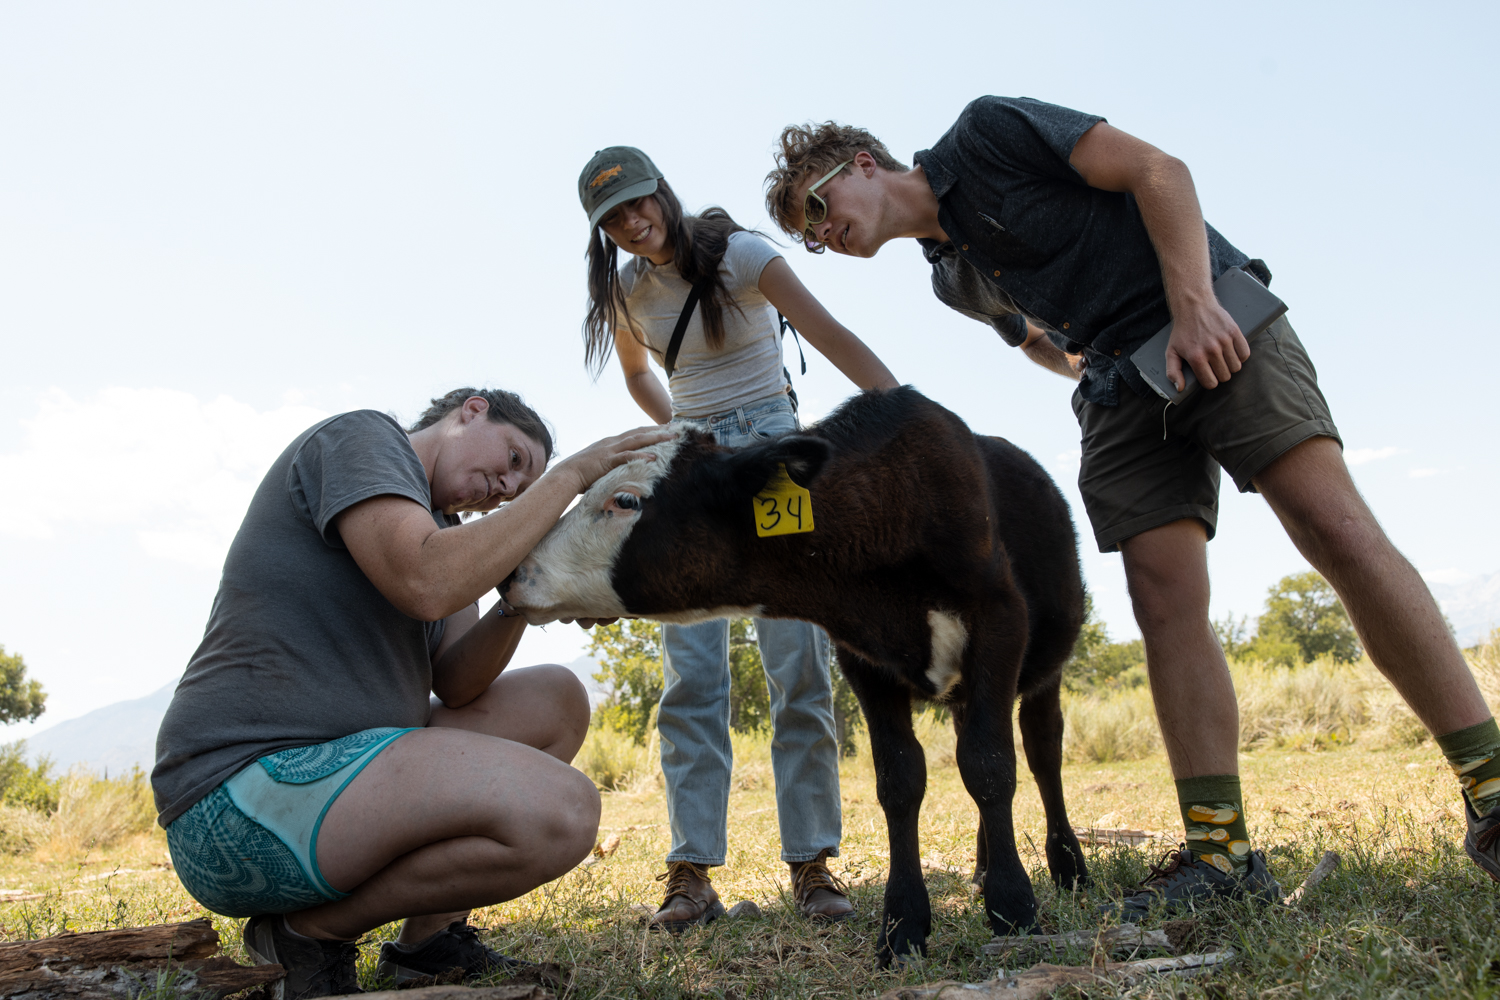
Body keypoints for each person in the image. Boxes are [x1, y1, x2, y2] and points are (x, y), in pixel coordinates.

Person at [762, 99, 1500, 918]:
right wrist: (1087, 378)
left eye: (819, 209)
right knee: (1161, 599)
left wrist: (1193, 306)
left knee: (1336, 530)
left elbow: (1160, 173)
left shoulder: (987, 134)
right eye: (807, 236)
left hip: (1208, 318)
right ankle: (1220, 857)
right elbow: (1037, 337)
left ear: (863, 162)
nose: (821, 237)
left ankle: (1492, 788)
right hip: (1122, 385)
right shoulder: (950, 278)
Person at [152, 388, 670, 997]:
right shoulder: (363, 440)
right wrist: (574, 475)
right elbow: (424, 580)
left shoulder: (444, 534)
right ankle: (307, 933)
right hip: (235, 803)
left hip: (346, 784)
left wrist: (523, 597)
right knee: (564, 813)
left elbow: (457, 683)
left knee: (556, 697)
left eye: (515, 486)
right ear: (471, 410)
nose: (503, 486)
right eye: (511, 459)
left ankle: (427, 943)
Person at [577, 146, 900, 928]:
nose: (631, 223)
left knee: (799, 664)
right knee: (691, 674)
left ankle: (813, 865)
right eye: (612, 218)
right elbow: (634, 375)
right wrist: (680, 433)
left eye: (638, 203)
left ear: (663, 191)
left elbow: (832, 335)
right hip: (695, 475)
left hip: (775, 460)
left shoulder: (746, 256)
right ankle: (690, 872)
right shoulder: (626, 295)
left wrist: (907, 416)